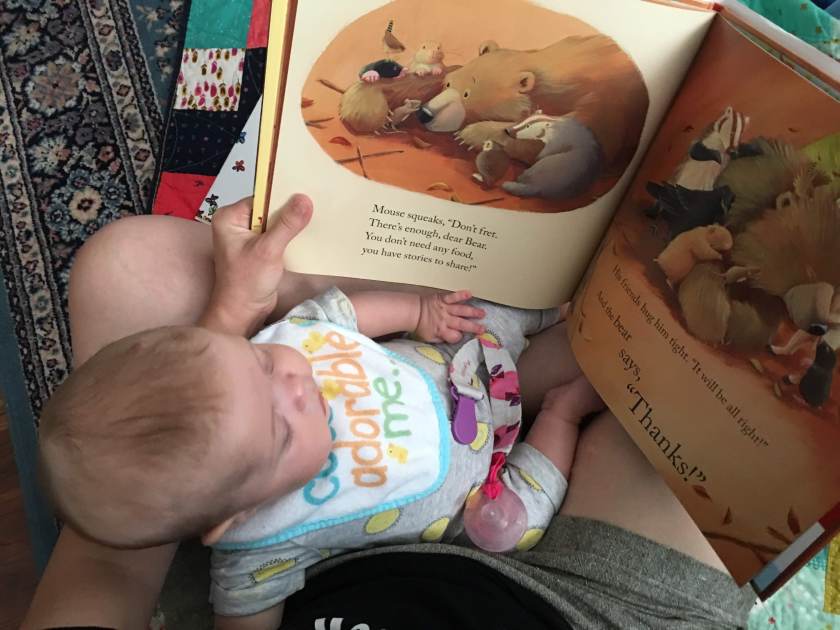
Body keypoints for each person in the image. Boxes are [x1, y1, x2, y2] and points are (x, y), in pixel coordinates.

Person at [23, 196, 756, 630]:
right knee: (679, 379)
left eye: (259, 365)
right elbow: (243, 617)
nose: (297, 385)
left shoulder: (285, 366)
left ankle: (559, 298)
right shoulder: (257, 552)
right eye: (279, 430)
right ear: (229, 519)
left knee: (527, 315)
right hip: (496, 521)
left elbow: (333, 319)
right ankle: (562, 412)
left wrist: (415, 312)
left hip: (456, 366)